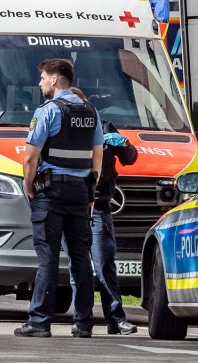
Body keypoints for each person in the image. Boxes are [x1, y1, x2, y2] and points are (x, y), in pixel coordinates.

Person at [15, 59, 102, 339]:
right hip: (80, 192)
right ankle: (85, 323)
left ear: (54, 80)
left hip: (51, 193)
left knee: (49, 257)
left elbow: (30, 157)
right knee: (80, 258)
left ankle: (40, 322)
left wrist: (29, 187)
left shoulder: (48, 111)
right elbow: (97, 157)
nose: (40, 83)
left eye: (42, 78)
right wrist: (90, 192)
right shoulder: (91, 111)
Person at [67, 88, 139, 335]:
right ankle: (82, 321)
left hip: (98, 206)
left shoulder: (105, 126)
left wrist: (123, 143)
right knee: (79, 268)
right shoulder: (65, 129)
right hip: (73, 205)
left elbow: (130, 158)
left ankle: (116, 319)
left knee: (104, 263)